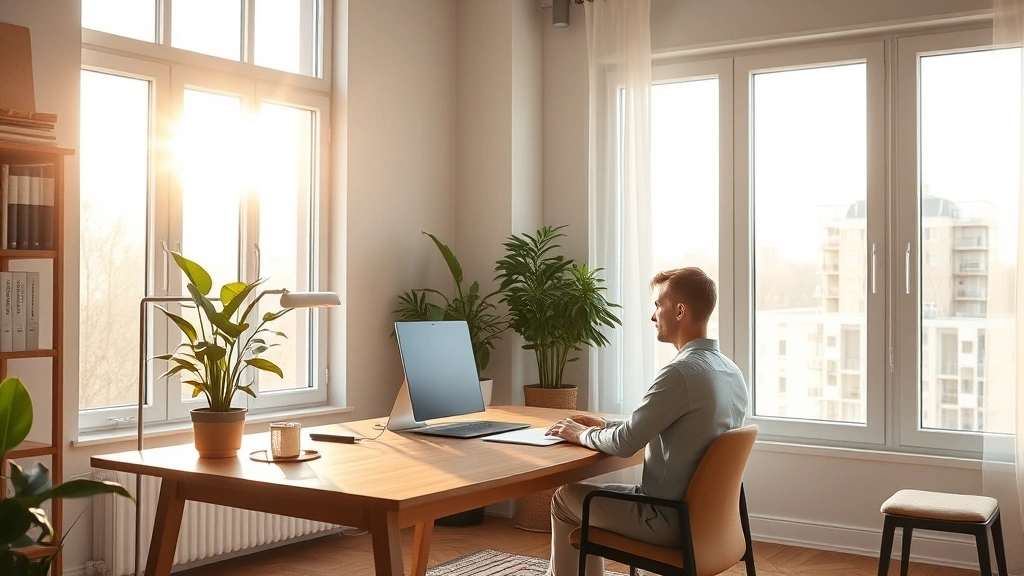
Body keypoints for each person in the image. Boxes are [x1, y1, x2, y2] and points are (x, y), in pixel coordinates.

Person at [543, 267, 748, 576]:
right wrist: (602, 426)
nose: (653, 316)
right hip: (710, 522)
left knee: (564, 499)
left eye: (657, 305)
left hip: (664, 519)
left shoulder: (680, 373)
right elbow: (662, 426)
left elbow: (626, 444)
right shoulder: (730, 372)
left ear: (679, 310)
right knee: (580, 496)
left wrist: (580, 434)